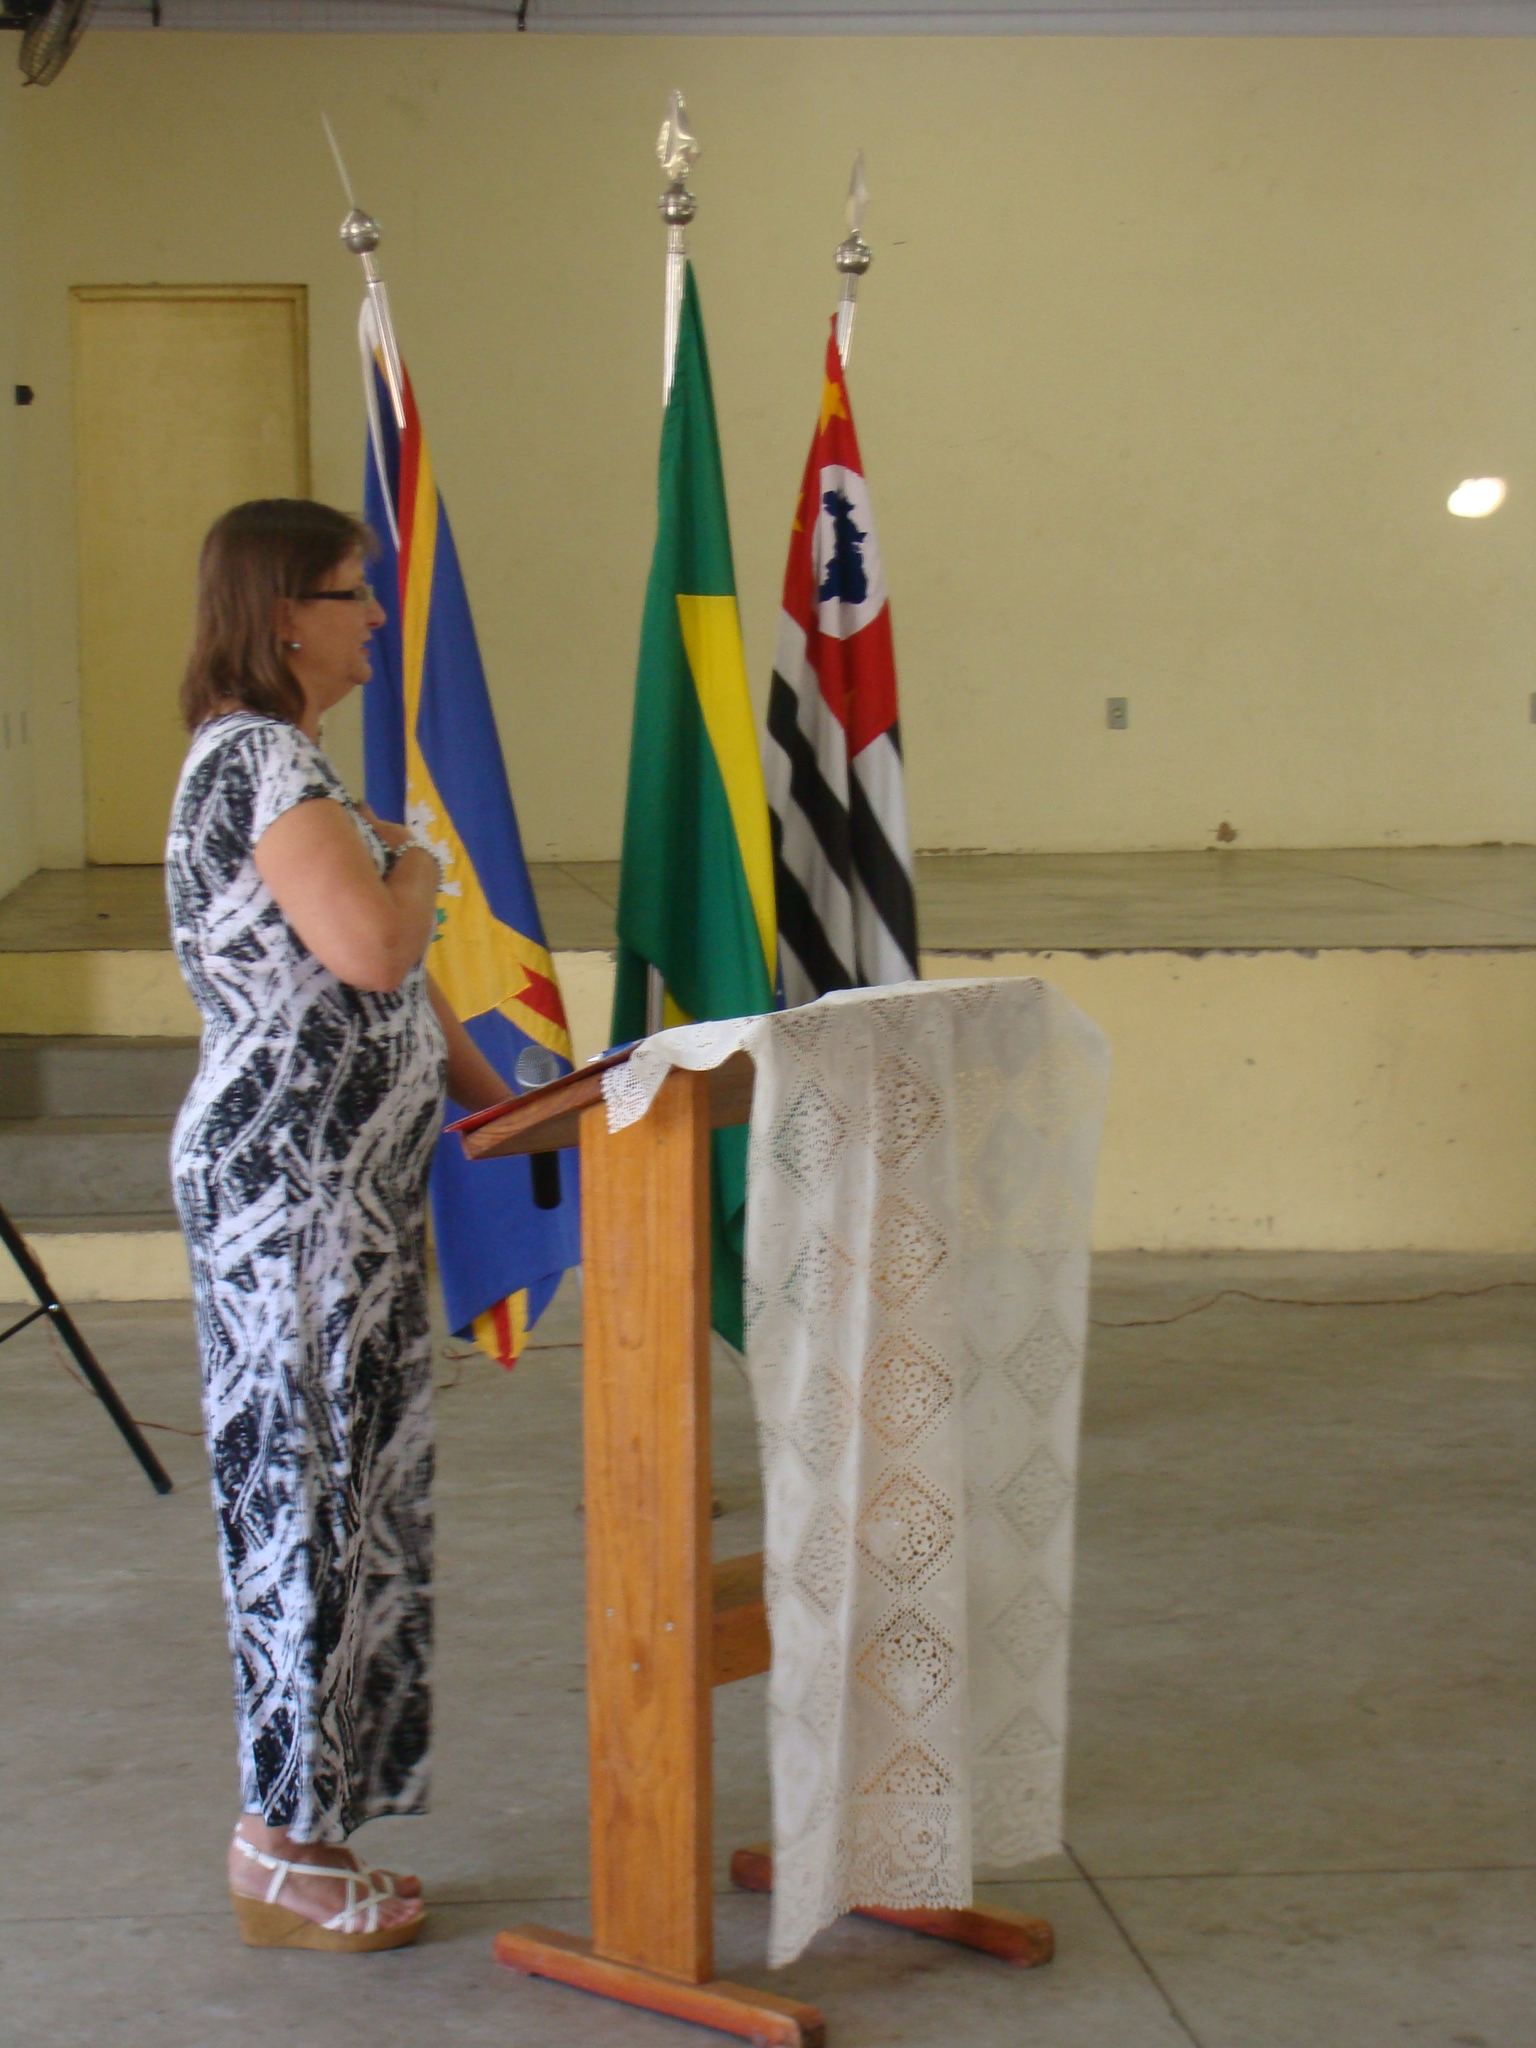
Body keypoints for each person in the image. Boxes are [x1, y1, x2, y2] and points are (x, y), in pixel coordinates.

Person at [166, 498, 513, 1953]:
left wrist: (516, 1108)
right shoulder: (262, 760)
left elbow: (390, 996)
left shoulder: (290, 768)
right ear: (281, 616)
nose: (375, 617)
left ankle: (311, 1828)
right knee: (304, 1511)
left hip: (340, 1197)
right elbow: (374, 946)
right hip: (291, 1204)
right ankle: (281, 1850)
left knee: (346, 1502)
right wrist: (417, 862)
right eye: (351, 593)